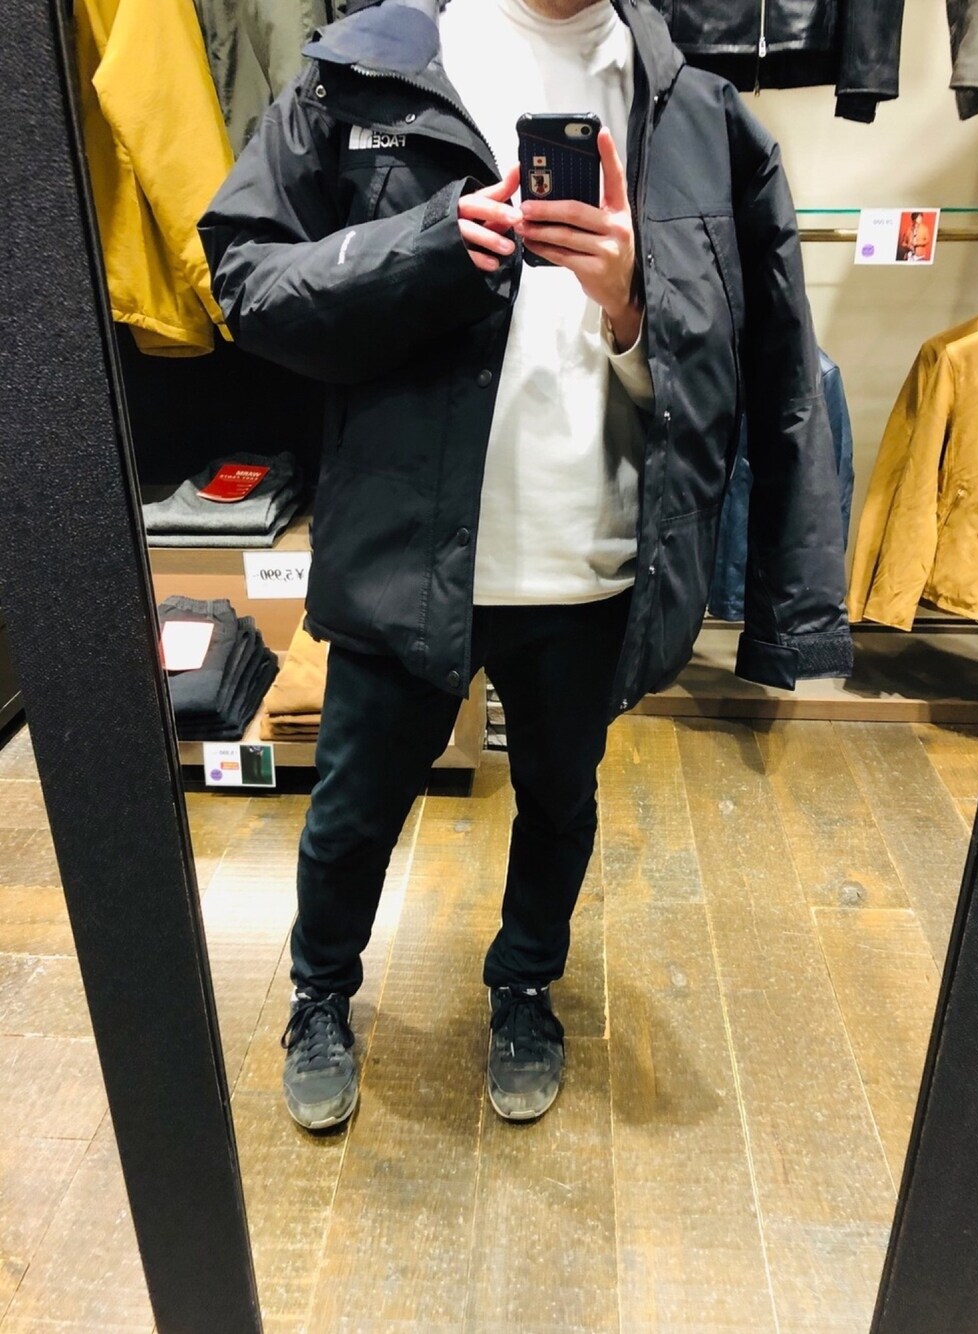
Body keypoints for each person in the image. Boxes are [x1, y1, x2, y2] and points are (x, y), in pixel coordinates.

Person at [198, 0, 853, 1130]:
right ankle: (319, 993)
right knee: (351, 813)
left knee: (559, 801)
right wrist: (427, 248)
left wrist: (631, 306)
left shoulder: (697, 111)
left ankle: (525, 987)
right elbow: (246, 278)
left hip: (590, 564)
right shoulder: (371, 69)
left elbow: (760, 371)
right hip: (404, 557)